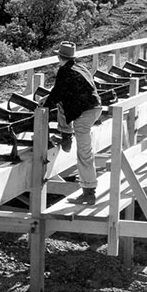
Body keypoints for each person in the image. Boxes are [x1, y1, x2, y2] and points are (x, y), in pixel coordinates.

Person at [42, 41, 102, 205]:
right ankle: (66, 136)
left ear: (59, 57)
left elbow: (56, 93)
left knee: (84, 153)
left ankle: (89, 192)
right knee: (61, 103)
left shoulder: (65, 71)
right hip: (94, 108)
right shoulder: (80, 67)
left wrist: (43, 110)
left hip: (86, 113)